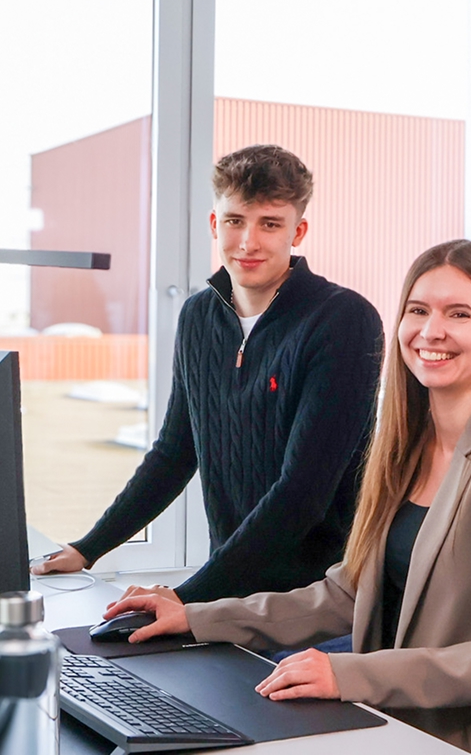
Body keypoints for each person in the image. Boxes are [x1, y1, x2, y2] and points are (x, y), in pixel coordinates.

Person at [104, 239, 471, 755]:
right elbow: (347, 594)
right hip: (410, 732)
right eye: (418, 310)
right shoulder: (407, 445)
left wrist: (347, 673)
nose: (432, 331)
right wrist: (197, 615)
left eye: (460, 313)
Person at [33, 145, 384, 606]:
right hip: (232, 594)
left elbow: (301, 495)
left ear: (297, 232)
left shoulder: (343, 321)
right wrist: (88, 547)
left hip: (321, 603)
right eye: (236, 221)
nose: (248, 242)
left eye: (270, 224)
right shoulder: (198, 315)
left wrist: (187, 597)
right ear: (215, 223)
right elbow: (175, 452)